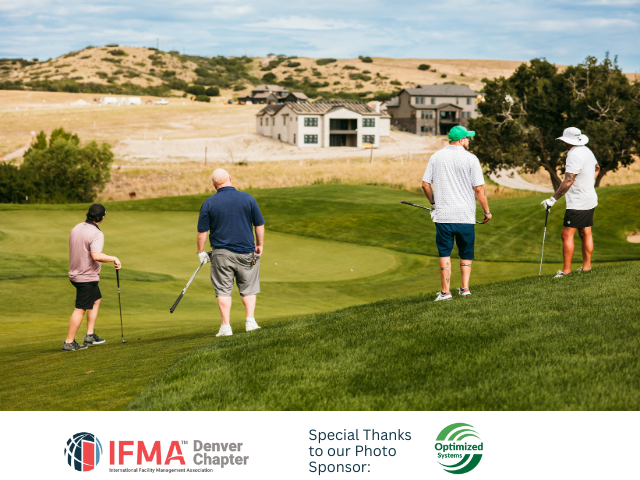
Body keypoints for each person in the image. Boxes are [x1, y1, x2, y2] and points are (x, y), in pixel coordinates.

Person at [422, 125, 491, 301]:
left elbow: (425, 185)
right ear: (461, 140)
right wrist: (487, 211)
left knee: (444, 252)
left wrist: (433, 203)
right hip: (465, 216)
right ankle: (465, 288)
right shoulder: (471, 159)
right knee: (466, 252)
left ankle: (445, 292)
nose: (469, 140)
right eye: (468, 138)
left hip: (443, 215)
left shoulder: (436, 156)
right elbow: (478, 189)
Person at [197, 168, 265, 336]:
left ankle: (226, 327)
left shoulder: (209, 203)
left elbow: (202, 233)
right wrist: (260, 244)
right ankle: (250, 321)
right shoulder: (248, 198)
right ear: (230, 178)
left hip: (221, 255)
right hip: (246, 252)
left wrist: (200, 252)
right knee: (248, 288)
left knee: (223, 290)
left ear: (213, 185)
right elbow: (259, 224)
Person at [541, 127, 599, 277]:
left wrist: (552, 199)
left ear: (567, 141)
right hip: (589, 198)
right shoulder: (587, 151)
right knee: (585, 231)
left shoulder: (573, 154)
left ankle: (566, 271)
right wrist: (588, 183)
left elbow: (568, 181)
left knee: (566, 234)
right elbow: (597, 168)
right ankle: (587, 267)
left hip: (578, 202)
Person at [64, 204, 121, 351]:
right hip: (85, 276)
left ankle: (89, 335)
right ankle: (69, 342)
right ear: (102, 218)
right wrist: (114, 258)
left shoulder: (76, 227)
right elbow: (96, 256)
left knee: (96, 299)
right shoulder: (97, 234)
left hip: (75, 273)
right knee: (80, 309)